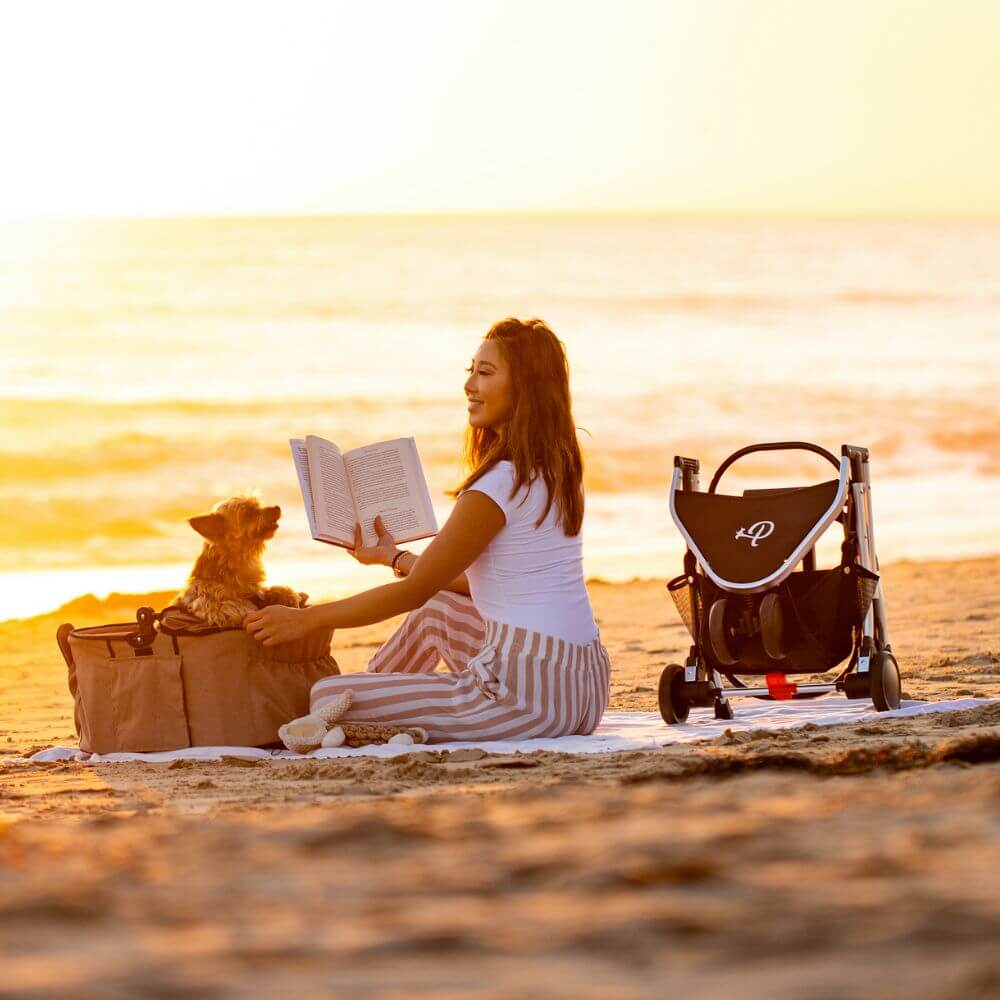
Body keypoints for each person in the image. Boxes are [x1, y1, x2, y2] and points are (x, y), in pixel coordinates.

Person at [244, 317, 611, 742]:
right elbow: (482, 584)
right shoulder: (559, 471)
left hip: (525, 699)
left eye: (485, 373)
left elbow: (412, 591)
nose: (469, 385)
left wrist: (306, 620)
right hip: (583, 686)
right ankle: (383, 691)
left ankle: (377, 705)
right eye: (470, 371)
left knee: (325, 695)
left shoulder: (496, 485)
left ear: (525, 388)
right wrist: (393, 557)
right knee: (437, 611)